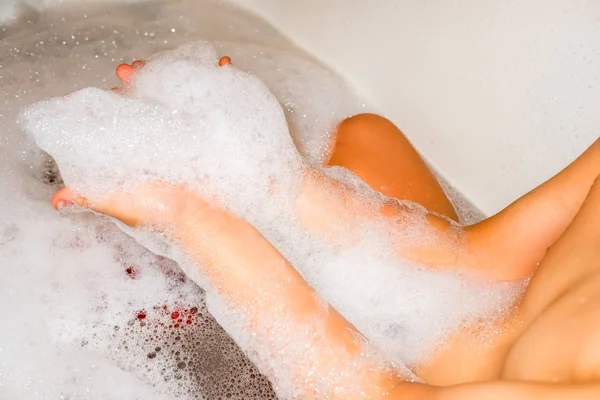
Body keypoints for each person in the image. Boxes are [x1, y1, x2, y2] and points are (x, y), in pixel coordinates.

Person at [51, 60, 600, 399]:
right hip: (471, 335)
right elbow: (481, 259)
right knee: (367, 137)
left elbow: (374, 393)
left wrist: (190, 216)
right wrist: (270, 175)